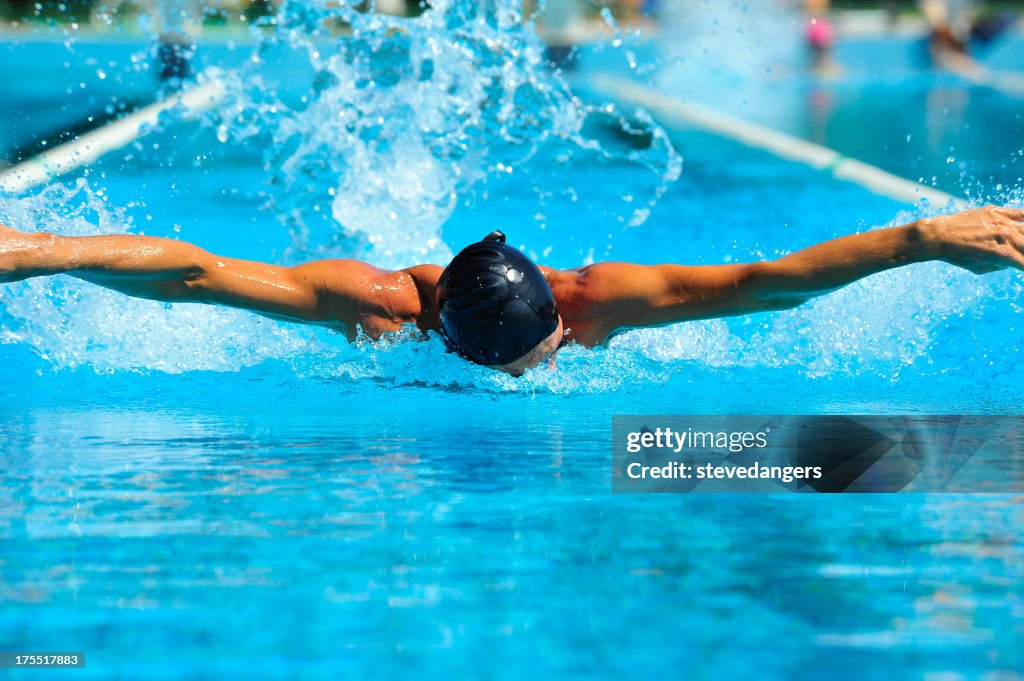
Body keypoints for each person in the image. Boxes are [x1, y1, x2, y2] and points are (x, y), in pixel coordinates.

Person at [2, 206, 1023, 376]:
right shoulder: (379, 307)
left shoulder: (595, 304)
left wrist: (924, 238)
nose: (541, 372)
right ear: (441, 327)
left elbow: (770, 286)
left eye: (541, 359)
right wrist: (39, 250)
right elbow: (195, 273)